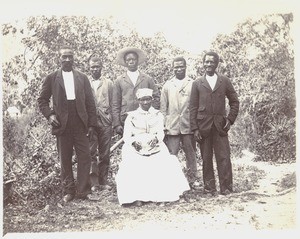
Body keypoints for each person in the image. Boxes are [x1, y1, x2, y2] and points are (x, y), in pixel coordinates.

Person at [38, 45, 97, 202]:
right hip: (61, 124)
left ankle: (83, 190)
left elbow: (90, 103)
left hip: (80, 122)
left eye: (70, 56)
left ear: (73, 58)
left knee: (85, 156)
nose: (67, 59)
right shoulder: (52, 78)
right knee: (65, 158)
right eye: (64, 57)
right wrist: (50, 116)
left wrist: (91, 124)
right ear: (60, 59)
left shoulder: (82, 77)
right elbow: (42, 100)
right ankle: (68, 191)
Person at [115, 88, 190, 206]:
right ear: (138, 100)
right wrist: (134, 143)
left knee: (165, 162)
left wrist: (156, 140)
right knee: (131, 164)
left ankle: (162, 195)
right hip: (136, 147)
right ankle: (135, 197)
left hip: (154, 145)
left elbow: (160, 132)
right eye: (142, 100)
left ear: (151, 100)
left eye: (148, 100)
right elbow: (127, 136)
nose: (145, 103)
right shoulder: (131, 116)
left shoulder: (158, 115)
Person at [189, 51, 239, 195]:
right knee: (206, 158)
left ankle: (226, 188)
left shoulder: (224, 81)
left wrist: (229, 120)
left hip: (220, 126)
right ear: (203, 63)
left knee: (224, 157)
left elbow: (234, 101)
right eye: (206, 62)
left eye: (212, 62)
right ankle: (209, 188)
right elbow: (192, 107)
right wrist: (195, 129)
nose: (209, 64)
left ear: (217, 64)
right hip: (203, 126)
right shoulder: (197, 83)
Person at [160, 56, 198, 187]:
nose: (179, 69)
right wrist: (164, 125)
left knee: (191, 153)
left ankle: (193, 179)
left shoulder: (193, 83)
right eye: (176, 67)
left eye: (182, 66)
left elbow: (196, 106)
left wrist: (195, 125)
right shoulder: (168, 85)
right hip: (172, 126)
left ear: (185, 67)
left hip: (188, 125)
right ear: (173, 68)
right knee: (172, 155)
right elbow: (163, 108)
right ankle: (172, 181)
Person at [112, 47, 160, 136]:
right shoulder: (119, 81)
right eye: (128, 60)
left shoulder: (147, 79)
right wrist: (117, 124)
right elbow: (115, 104)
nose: (131, 62)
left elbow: (156, 98)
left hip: (146, 119)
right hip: (126, 119)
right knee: (130, 145)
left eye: (133, 59)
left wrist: (152, 116)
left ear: (137, 60)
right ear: (125, 62)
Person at [88, 56, 113, 191]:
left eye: (97, 66)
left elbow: (113, 102)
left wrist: (114, 121)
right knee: (91, 152)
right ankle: (94, 183)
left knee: (105, 153)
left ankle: (103, 181)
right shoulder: (85, 82)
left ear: (101, 67)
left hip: (105, 121)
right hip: (91, 122)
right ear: (89, 68)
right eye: (92, 67)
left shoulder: (108, 83)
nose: (95, 69)